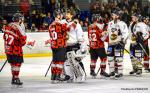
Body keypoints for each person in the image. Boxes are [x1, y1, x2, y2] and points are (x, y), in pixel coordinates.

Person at [61, 9, 87, 82]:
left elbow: (80, 36)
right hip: (65, 45)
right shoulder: (62, 22)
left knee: (76, 61)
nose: (66, 15)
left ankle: (82, 75)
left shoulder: (76, 24)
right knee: (66, 62)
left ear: (72, 15)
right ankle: (70, 76)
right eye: (66, 13)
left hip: (74, 45)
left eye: (68, 14)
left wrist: (82, 46)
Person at [3, 13, 27, 86]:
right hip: (16, 50)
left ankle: (14, 78)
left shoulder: (8, 26)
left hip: (8, 49)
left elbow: (4, 37)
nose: (22, 20)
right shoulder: (18, 28)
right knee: (17, 65)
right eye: (21, 19)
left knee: (13, 65)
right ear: (19, 20)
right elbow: (23, 42)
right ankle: (16, 78)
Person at [47, 10, 69, 83]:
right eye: (61, 15)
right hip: (60, 45)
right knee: (60, 61)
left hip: (54, 45)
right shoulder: (60, 24)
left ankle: (53, 76)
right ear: (58, 16)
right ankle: (58, 76)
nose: (62, 16)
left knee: (55, 61)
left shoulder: (51, 25)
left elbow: (51, 35)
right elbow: (67, 30)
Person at [107, 9, 128, 79]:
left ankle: (120, 72)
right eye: (112, 14)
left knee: (119, 58)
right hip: (111, 43)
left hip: (118, 43)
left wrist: (123, 40)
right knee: (110, 58)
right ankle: (112, 71)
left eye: (114, 14)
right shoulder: (110, 23)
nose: (112, 15)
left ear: (118, 16)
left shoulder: (122, 23)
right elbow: (108, 32)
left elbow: (125, 33)